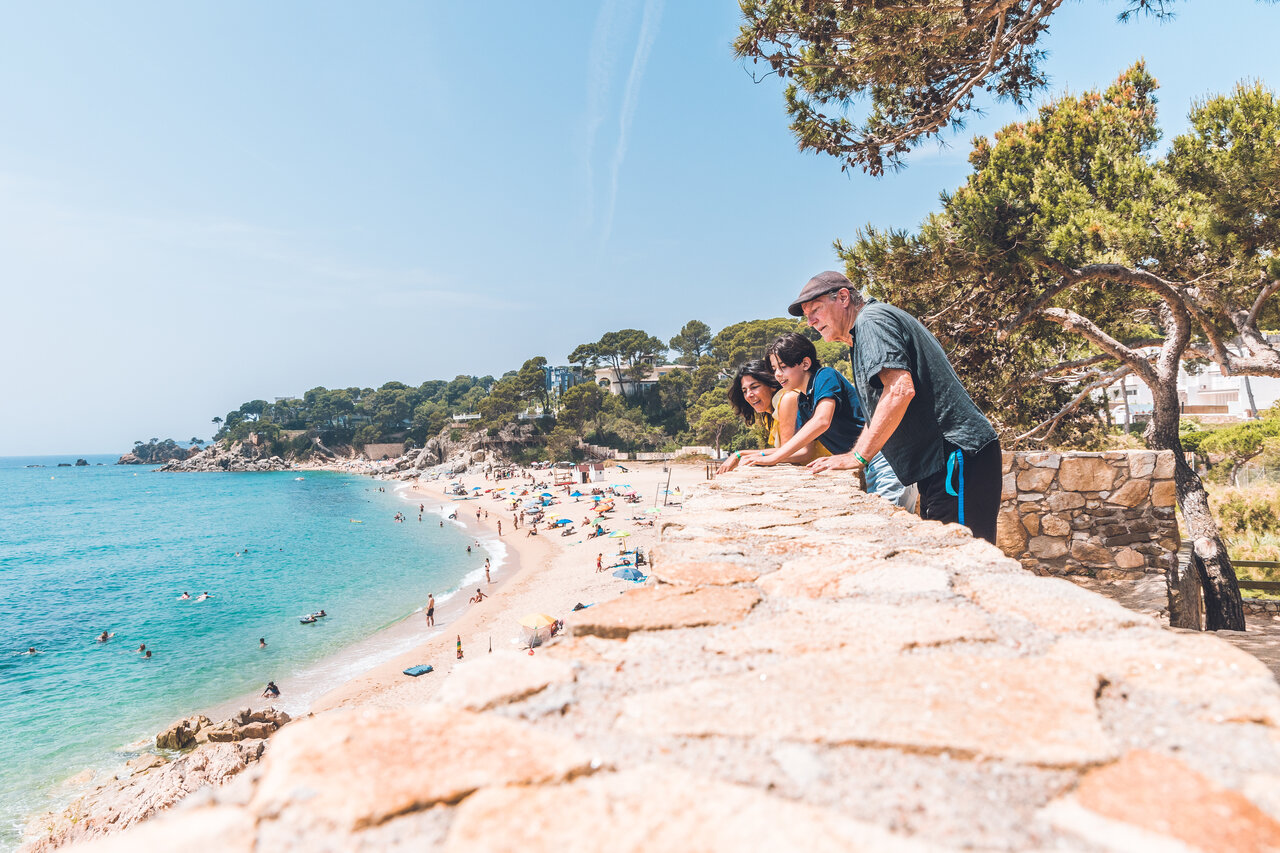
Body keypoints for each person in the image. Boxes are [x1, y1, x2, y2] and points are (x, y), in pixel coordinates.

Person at [788, 270, 1001, 542]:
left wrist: (859, 456)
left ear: (843, 298)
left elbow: (900, 390)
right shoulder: (865, 329)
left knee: (965, 558)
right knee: (948, 555)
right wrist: (855, 455)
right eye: (807, 315)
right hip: (945, 462)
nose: (810, 321)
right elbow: (877, 411)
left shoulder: (871, 322)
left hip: (955, 456)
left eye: (815, 310)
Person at [744, 333, 907, 507]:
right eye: (774, 369)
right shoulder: (804, 402)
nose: (777, 374)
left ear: (805, 363)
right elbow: (802, 451)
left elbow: (822, 420)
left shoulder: (825, 376)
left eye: (782, 367)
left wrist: (774, 458)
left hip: (885, 458)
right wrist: (756, 455)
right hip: (867, 464)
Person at [717, 359, 827, 474]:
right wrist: (740, 454)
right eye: (744, 391)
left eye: (754, 387)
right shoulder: (768, 414)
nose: (749, 395)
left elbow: (790, 452)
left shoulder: (787, 398)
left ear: (772, 385)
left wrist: (740, 454)